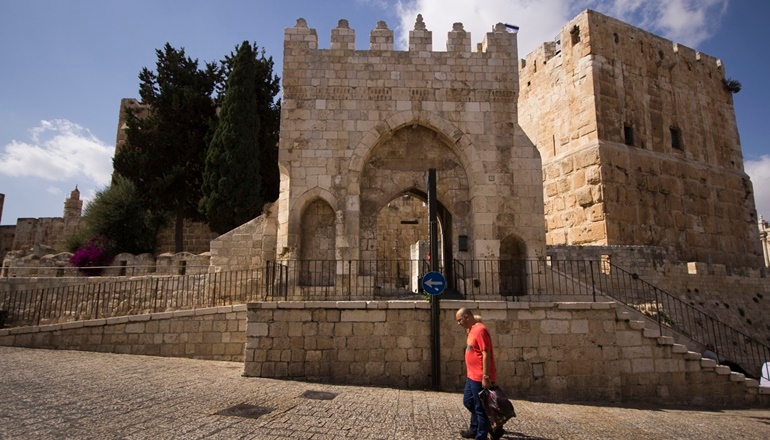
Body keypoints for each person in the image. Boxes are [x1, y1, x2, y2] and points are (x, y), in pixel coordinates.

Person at [455, 307, 503, 440]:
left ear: (467, 317)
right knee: (468, 402)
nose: (459, 323)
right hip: (471, 376)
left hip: (480, 377)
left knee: (481, 408)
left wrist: (485, 376)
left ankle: (480, 435)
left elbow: (486, 353)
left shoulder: (480, 331)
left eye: (460, 320)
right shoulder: (471, 330)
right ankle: (489, 428)